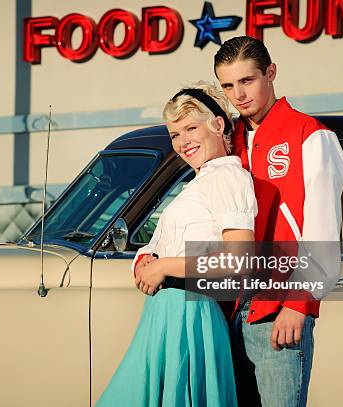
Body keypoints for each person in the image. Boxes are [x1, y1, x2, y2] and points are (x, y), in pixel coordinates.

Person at [96, 82, 257, 406]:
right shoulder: (199, 183)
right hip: (166, 313)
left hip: (190, 313)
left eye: (191, 128)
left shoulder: (228, 177)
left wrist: (165, 266)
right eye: (175, 134)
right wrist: (146, 259)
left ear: (218, 124)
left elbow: (239, 261)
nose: (183, 142)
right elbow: (161, 245)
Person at [213, 36, 343, 406]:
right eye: (228, 85)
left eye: (247, 80)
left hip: (278, 310)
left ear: (270, 73)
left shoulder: (310, 135)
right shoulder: (228, 141)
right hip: (229, 311)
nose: (238, 94)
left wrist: (298, 303)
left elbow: (322, 228)